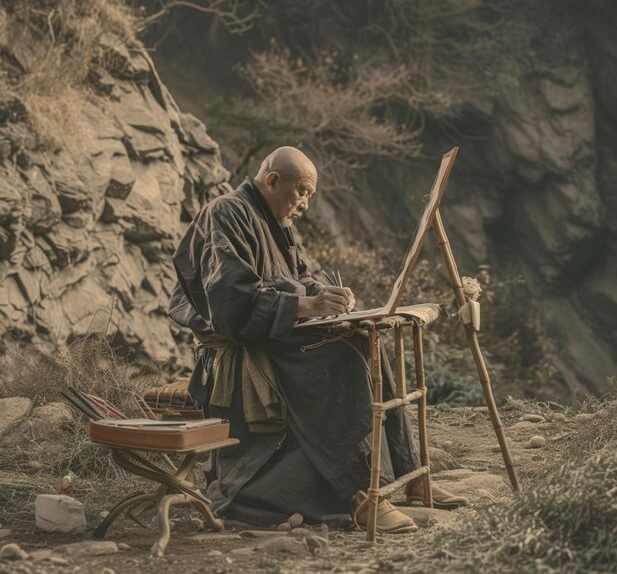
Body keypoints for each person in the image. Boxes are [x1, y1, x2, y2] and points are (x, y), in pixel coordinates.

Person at [168, 146, 467, 533]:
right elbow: (231, 302)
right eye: (303, 192)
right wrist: (306, 305)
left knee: (363, 338)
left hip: (274, 336)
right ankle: (359, 494)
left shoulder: (278, 223)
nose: (306, 204)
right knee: (342, 357)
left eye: (310, 195)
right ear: (273, 181)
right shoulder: (227, 212)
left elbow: (302, 277)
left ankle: (409, 476)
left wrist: (329, 296)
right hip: (245, 345)